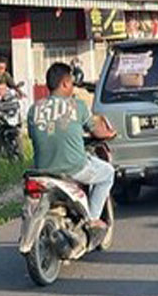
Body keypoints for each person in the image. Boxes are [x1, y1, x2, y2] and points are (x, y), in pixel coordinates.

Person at [27, 62, 117, 239]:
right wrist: (110, 133)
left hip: (41, 170)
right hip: (73, 168)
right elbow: (97, 131)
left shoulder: (33, 109)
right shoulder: (77, 106)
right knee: (107, 172)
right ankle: (92, 218)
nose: (73, 87)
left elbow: (37, 136)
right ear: (65, 84)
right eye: (72, 83)